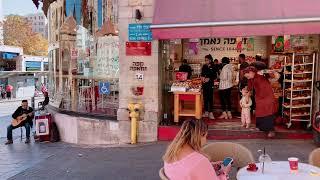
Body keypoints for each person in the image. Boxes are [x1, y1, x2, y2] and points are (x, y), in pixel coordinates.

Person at [163, 119, 230, 180]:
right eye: (206, 136)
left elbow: (187, 168)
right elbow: (195, 165)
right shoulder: (200, 161)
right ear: (200, 136)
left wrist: (209, 166)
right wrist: (224, 172)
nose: (206, 140)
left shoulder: (171, 152)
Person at [243, 66, 276, 138]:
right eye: (246, 76)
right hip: (259, 97)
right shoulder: (250, 79)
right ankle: (259, 127)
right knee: (259, 112)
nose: (247, 77)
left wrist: (266, 71)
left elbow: (272, 74)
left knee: (268, 112)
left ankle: (271, 130)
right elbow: (249, 87)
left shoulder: (261, 74)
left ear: (252, 72)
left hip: (267, 96)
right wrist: (246, 92)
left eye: (247, 75)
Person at [201, 54, 218, 119]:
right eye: (205, 60)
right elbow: (202, 74)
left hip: (210, 84)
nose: (206, 61)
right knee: (205, 98)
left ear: (210, 60)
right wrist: (202, 78)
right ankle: (206, 112)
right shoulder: (204, 66)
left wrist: (209, 79)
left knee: (210, 98)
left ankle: (211, 112)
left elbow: (215, 76)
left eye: (207, 60)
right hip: (204, 84)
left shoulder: (214, 66)